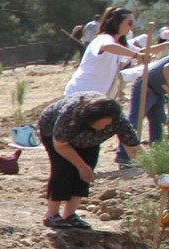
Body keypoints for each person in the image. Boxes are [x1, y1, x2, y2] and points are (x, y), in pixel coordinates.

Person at [37, 93, 142, 228]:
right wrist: (81, 166)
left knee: (87, 172)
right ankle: (52, 215)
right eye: (103, 124)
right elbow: (60, 145)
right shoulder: (71, 115)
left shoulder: (119, 120)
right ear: (91, 119)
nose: (106, 127)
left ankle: (70, 215)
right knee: (63, 169)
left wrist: (152, 170)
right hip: (55, 134)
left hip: (89, 140)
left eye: (108, 124)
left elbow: (133, 147)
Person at [64, 7, 144, 100]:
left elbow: (142, 51)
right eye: (129, 23)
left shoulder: (120, 45)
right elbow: (107, 46)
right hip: (81, 94)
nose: (132, 27)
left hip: (97, 97)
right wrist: (135, 55)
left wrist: (165, 45)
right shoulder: (103, 38)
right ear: (117, 23)